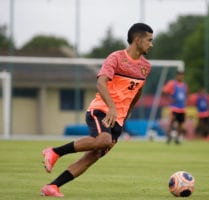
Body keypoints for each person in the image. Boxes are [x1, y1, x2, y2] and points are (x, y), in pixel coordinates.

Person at [40, 23, 154, 197]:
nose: (151, 44)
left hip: (119, 119)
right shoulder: (116, 58)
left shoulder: (146, 66)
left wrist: (127, 112)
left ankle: (52, 186)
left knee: (92, 157)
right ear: (137, 40)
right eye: (149, 40)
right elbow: (101, 82)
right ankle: (55, 151)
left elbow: (137, 91)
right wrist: (112, 108)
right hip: (101, 110)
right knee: (103, 139)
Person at [162, 71, 188, 144]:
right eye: (179, 75)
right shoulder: (172, 84)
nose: (181, 77)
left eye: (182, 75)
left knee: (180, 124)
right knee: (172, 122)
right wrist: (169, 99)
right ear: (177, 76)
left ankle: (177, 138)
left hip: (182, 108)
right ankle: (169, 136)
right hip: (174, 108)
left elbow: (185, 95)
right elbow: (164, 91)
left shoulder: (184, 85)